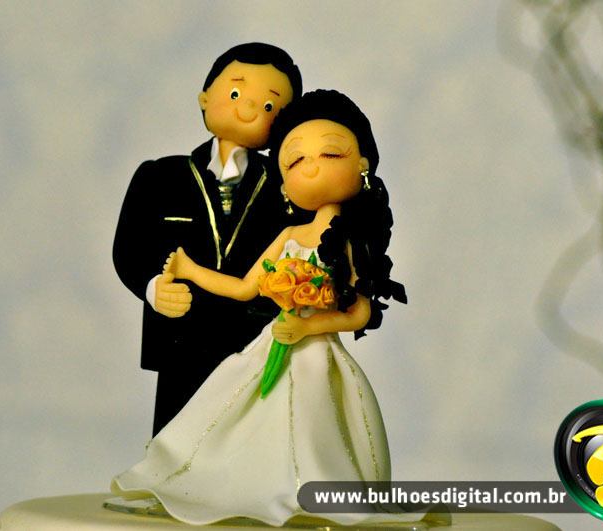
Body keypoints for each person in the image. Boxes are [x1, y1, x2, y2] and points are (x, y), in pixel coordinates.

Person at [110, 90, 407, 526]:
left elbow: (360, 313)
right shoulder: (288, 235)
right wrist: (191, 269)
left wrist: (308, 328)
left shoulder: (352, 243)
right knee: (232, 415)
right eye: (295, 160)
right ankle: (243, 489)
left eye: (330, 153)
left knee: (315, 426)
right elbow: (243, 289)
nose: (312, 166)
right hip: (270, 347)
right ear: (284, 183)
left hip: (315, 354)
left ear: (362, 163)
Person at [112, 43, 304, 435]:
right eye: (235, 93)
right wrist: (152, 287)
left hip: (256, 343)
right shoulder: (159, 177)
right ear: (204, 97)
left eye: (269, 105)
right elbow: (129, 248)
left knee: (248, 436)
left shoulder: (289, 188)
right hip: (182, 340)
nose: (248, 108)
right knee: (176, 440)